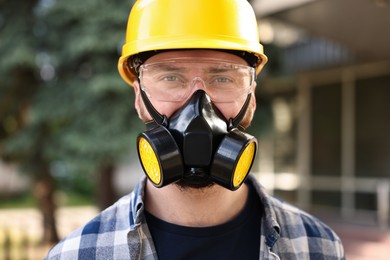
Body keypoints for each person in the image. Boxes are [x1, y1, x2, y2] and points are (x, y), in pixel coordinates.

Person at [46, 0, 345, 259]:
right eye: (171, 78)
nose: (198, 106)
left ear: (251, 98)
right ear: (139, 98)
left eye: (223, 79)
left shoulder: (319, 248)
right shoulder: (76, 254)